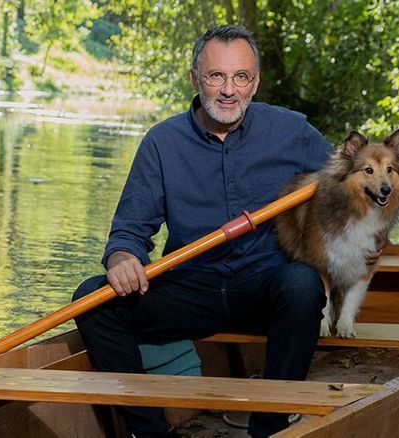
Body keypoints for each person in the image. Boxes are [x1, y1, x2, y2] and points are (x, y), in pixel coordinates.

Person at [73, 24, 334, 437]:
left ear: (255, 82)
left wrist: (362, 234)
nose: (229, 89)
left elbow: (349, 191)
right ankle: (152, 431)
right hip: (191, 289)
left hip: (264, 291)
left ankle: (269, 427)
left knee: (301, 284)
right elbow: (129, 231)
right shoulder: (162, 142)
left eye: (241, 77)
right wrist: (123, 259)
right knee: (92, 298)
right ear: (195, 78)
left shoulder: (293, 132)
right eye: (216, 76)